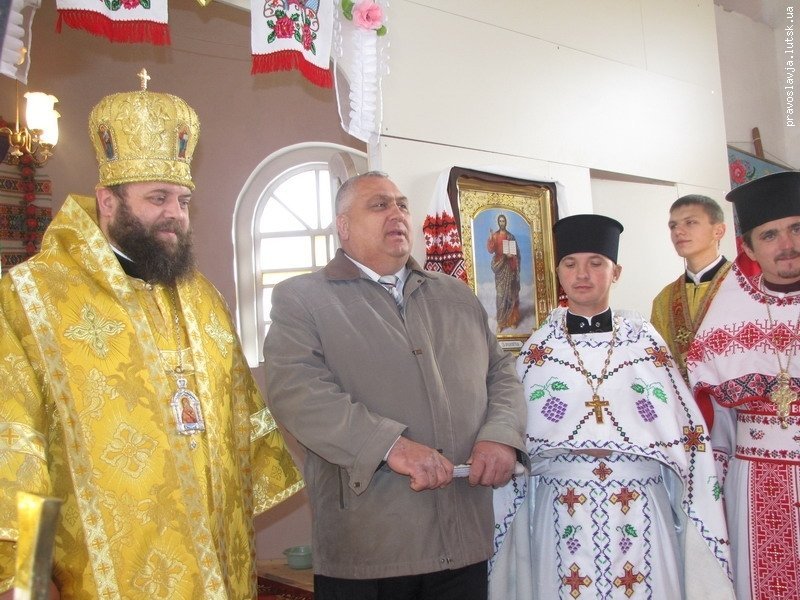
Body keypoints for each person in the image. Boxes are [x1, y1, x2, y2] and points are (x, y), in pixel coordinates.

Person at [0, 72, 303, 599]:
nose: (175, 215)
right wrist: (28, 579)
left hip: (216, 567)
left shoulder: (203, 298)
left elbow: (240, 425)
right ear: (107, 201)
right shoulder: (33, 298)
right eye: (157, 197)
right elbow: (16, 447)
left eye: (183, 200)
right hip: (103, 576)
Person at [263, 171, 527, 600]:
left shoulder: (457, 296)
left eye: (402, 204)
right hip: (370, 546)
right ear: (343, 226)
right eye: (379, 205)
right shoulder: (303, 299)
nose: (397, 213)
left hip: (464, 538)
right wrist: (390, 446)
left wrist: (500, 436)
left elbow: (501, 374)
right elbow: (298, 393)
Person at [490, 214, 734, 600]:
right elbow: (515, 438)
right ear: (558, 273)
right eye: (570, 264)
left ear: (616, 272)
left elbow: (687, 436)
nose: (581, 274)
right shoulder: (539, 350)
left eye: (596, 263)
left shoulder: (646, 344)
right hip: (563, 505)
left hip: (639, 503)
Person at [687, 171, 800, 600]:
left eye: (796, 228)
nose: (786, 244)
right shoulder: (726, 319)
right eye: (769, 235)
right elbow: (712, 423)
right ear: (749, 249)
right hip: (755, 484)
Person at [650, 195, 730, 427]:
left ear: (719, 231)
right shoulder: (665, 298)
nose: (678, 231)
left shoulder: (743, 286)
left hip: (738, 408)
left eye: (690, 222)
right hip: (685, 413)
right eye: (673, 226)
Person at [486, 213, 521, 332]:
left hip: (510, 267)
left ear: (506, 222)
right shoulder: (495, 236)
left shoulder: (511, 236)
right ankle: (501, 323)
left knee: (511, 294)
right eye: (500, 221)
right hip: (500, 267)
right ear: (498, 222)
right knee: (501, 296)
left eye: (503, 221)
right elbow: (491, 250)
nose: (502, 223)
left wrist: (512, 256)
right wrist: (490, 239)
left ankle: (512, 320)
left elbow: (517, 253)